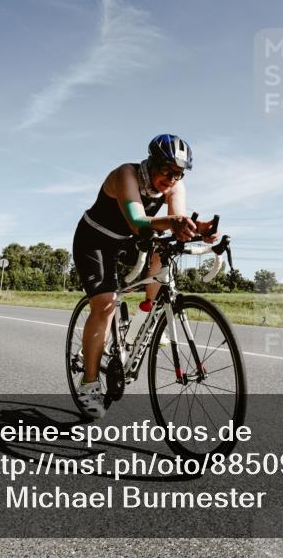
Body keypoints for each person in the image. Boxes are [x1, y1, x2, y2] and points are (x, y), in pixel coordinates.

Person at [72, 134, 217, 419]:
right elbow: (139, 222)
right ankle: (89, 382)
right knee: (105, 305)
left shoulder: (175, 186)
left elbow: (175, 223)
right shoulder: (126, 175)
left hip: (127, 240)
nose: (172, 179)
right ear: (151, 163)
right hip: (95, 240)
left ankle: (143, 318)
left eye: (178, 174)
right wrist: (176, 223)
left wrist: (197, 229)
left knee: (163, 251)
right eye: (166, 170)